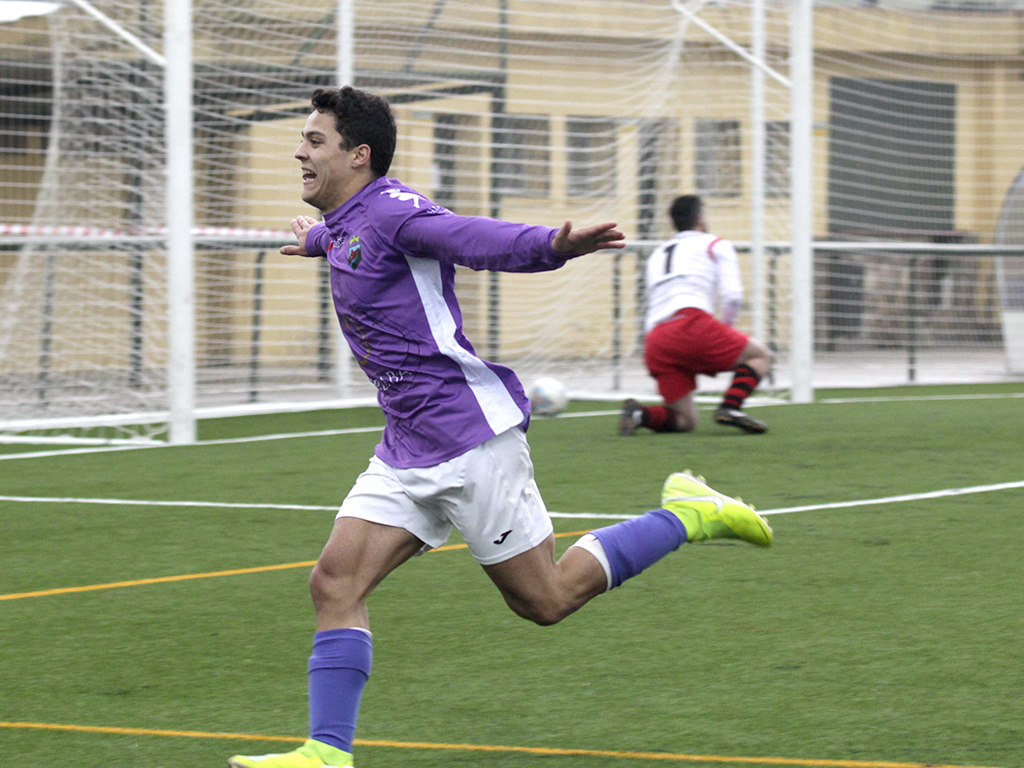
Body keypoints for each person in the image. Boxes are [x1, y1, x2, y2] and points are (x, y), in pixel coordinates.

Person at [227, 87, 773, 768]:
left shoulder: (396, 212)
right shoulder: (347, 221)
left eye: (314, 140)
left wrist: (551, 244)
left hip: (470, 437)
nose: (299, 151)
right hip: (405, 446)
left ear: (357, 155)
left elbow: (468, 238)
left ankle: (687, 516)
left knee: (547, 600)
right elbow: (349, 237)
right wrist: (316, 240)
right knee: (333, 583)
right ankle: (326, 752)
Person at [619, 194, 773, 436]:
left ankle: (640, 415)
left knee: (684, 420)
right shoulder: (715, 244)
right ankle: (730, 408)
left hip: (656, 341)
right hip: (692, 325)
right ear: (700, 219)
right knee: (760, 355)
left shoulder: (657, 255)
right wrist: (724, 329)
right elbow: (733, 296)